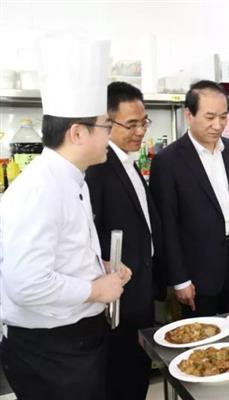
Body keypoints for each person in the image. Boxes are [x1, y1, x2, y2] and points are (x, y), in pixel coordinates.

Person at [0, 36, 131, 400]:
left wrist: (100, 267)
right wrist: (96, 289)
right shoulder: (41, 188)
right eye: (105, 126)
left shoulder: (72, 178)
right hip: (51, 351)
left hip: (74, 340)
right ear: (77, 132)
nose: (111, 136)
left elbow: (60, 253)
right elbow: (26, 283)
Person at [85, 81, 164, 400]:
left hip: (141, 290)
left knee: (137, 374)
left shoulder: (128, 162)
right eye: (130, 124)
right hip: (118, 298)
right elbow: (90, 234)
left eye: (144, 122)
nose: (139, 131)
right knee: (122, 380)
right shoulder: (98, 168)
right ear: (107, 122)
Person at [150, 80, 229, 317]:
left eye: (223, 117)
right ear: (189, 115)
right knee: (203, 333)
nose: (218, 125)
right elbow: (166, 225)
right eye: (210, 117)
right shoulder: (168, 161)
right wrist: (179, 279)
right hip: (197, 268)